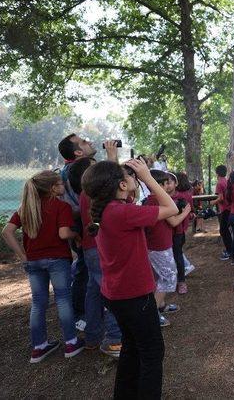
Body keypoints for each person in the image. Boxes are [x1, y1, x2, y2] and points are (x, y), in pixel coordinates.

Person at [82, 158, 178, 399]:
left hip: (116, 294)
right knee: (152, 352)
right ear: (122, 185)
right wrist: (147, 177)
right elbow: (171, 209)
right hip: (134, 296)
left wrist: (131, 186)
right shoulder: (123, 212)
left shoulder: (108, 209)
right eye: (130, 177)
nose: (134, 178)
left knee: (132, 347)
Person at [1, 170, 85, 363]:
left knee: (38, 302)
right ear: (53, 188)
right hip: (57, 259)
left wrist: (23, 256)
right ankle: (71, 343)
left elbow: (7, 232)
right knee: (63, 299)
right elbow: (64, 234)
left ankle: (39, 347)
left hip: (33, 261)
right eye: (61, 184)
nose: (63, 186)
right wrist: (76, 233)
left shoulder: (26, 208)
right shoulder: (61, 206)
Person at [72, 157, 122, 358]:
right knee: (109, 292)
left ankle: (92, 336)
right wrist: (113, 159)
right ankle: (114, 338)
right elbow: (113, 187)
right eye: (95, 165)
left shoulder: (86, 193)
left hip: (89, 247)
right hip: (97, 247)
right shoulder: (94, 192)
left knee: (93, 292)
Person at [58, 133, 103, 331]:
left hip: (85, 229)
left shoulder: (77, 170)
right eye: (84, 142)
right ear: (77, 152)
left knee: (90, 276)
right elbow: (77, 205)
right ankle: (80, 315)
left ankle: (90, 318)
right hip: (84, 231)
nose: (90, 142)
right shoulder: (73, 173)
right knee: (86, 272)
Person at [144, 170, 191, 326]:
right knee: (169, 278)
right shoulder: (158, 201)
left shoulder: (150, 200)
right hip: (159, 247)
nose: (168, 187)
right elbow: (174, 221)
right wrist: (186, 212)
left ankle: (161, 305)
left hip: (156, 246)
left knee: (158, 278)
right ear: (160, 185)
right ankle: (153, 314)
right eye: (165, 184)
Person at [171, 172, 194, 295]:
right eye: (164, 183)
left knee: (178, 255)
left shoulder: (182, 198)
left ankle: (181, 281)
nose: (167, 185)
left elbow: (190, 212)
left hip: (178, 232)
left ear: (176, 183)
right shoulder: (160, 198)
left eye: (170, 182)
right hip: (164, 234)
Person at [211, 165, 233, 260]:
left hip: (226, 209)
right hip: (230, 208)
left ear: (217, 173)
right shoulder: (226, 181)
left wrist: (212, 202)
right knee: (225, 230)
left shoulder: (220, 183)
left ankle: (229, 251)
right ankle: (231, 249)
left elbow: (221, 198)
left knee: (223, 230)